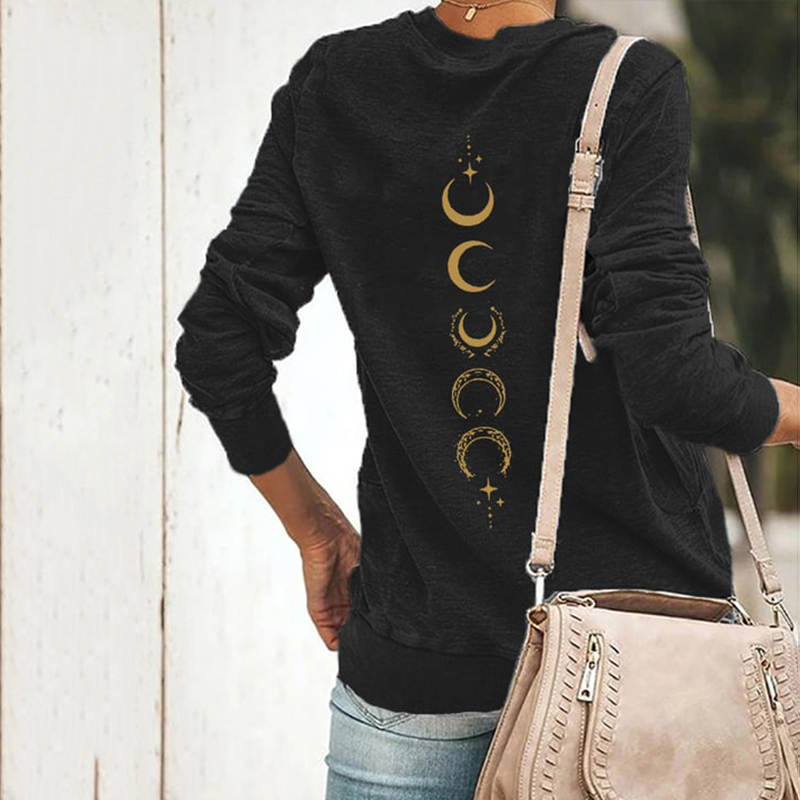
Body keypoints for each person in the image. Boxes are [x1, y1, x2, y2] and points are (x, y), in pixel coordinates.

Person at [173, 2, 800, 797]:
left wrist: (315, 527)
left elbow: (218, 340)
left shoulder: (337, 85)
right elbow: (674, 376)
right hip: (635, 670)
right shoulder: (624, 82)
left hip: (411, 679)